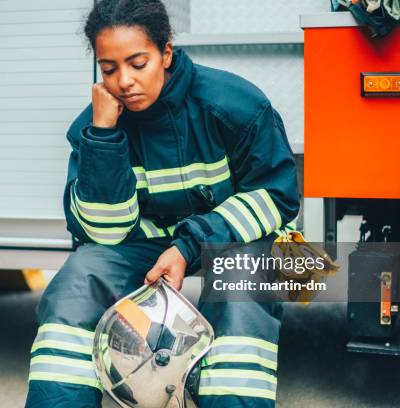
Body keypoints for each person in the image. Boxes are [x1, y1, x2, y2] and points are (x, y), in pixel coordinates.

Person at [25, 1, 299, 407]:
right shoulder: (93, 127)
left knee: (241, 290)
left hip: (237, 241)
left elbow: (276, 195)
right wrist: (102, 136)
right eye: (109, 68)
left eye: (138, 63)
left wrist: (188, 246)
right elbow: (104, 233)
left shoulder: (235, 104)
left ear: (166, 53)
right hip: (146, 247)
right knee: (77, 279)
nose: (124, 82)